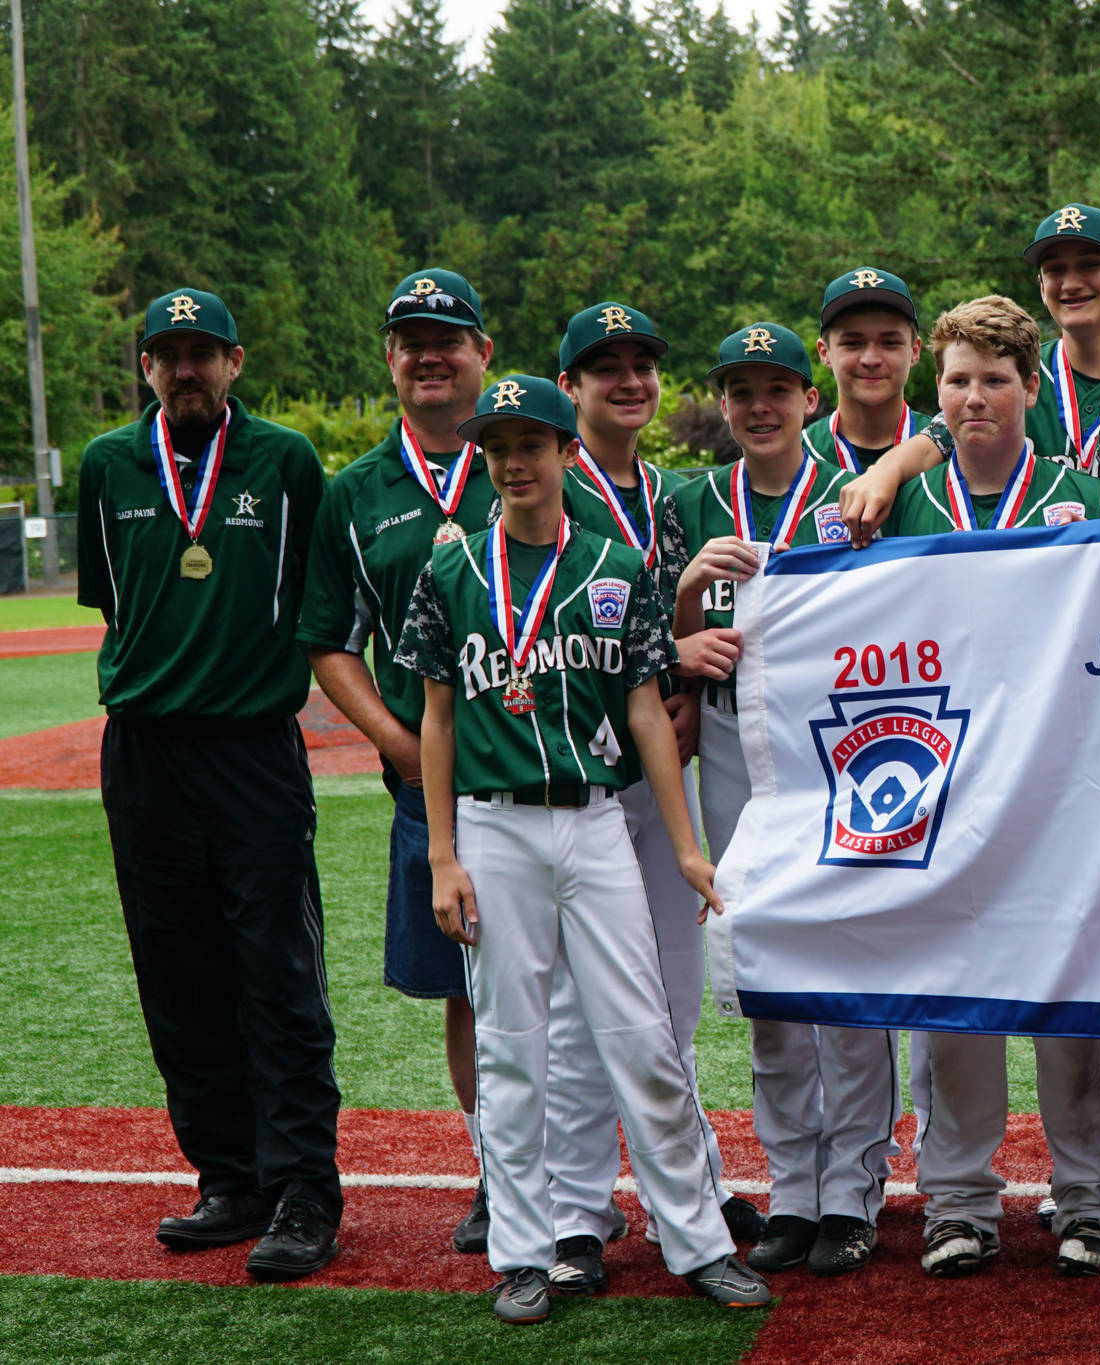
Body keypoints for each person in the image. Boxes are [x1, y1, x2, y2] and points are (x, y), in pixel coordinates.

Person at [393, 375, 767, 1322]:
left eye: (531, 445)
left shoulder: (616, 565)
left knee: (645, 1036)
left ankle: (698, 1242)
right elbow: (438, 720)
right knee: (513, 1047)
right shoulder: (451, 568)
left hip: (596, 819)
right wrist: (442, 855)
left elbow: (645, 713)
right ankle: (525, 1252)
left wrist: (684, 845)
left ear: (567, 452)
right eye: (496, 448)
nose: (512, 463)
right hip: (494, 824)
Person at [77, 286, 341, 1280]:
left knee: (279, 975)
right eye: (168, 354)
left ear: (236, 361)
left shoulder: (286, 460)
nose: (186, 369)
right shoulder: (108, 464)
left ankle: (304, 1190)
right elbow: (114, 599)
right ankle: (230, 1177)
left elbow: (315, 597)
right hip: (145, 756)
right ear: (146, 364)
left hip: (253, 750)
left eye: (204, 352)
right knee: (177, 974)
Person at [872, 294, 1100, 1281]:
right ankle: (957, 1201)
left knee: (1070, 1002)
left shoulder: (1082, 491)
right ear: (933, 392)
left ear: (1031, 385)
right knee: (952, 1004)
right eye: (955, 381)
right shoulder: (900, 498)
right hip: (939, 786)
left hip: (1060, 787)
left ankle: (1092, 1196)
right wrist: (892, 465)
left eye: (993, 379)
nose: (973, 397)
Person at [662, 324, 901, 1278]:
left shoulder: (856, 489)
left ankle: (853, 1189)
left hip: (839, 744)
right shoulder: (691, 500)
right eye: (741, 391)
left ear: (811, 398)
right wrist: (687, 600)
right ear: (722, 402)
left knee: (844, 957)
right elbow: (657, 635)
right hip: (731, 738)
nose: (759, 407)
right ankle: (794, 1186)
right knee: (762, 956)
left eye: (777, 389)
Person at [543, 300, 762, 1293]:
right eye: (606, 368)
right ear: (571, 387)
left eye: (642, 365)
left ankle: (692, 1185)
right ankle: (576, 1213)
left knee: (668, 1002)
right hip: (580, 782)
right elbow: (543, 637)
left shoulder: (673, 495)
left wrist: (688, 683)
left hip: (663, 778)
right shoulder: (548, 488)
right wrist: (667, 652)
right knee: (576, 1009)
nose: (629, 381)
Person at [297, 268, 499, 1253]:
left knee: (581, 986)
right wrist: (398, 743)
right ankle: (500, 1173)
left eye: (447, 338)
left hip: (553, 775)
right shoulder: (355, 492)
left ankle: (587, 1172)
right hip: (435, 794)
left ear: (482, 353)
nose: (430, 355)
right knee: (469, 989)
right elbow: (330, 641)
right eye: (411, 340)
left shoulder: (533, 456)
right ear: (389, 359)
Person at [836, 203, 1100, 538]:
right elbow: (937, 439)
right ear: (1041, 286)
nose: (1071, 283)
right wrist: (883, 472)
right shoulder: (1010, 368)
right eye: (1055, 270)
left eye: (1089, 264)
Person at [801, 267, 931, 474]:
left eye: (889, 342)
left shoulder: (948, 448)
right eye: (853, 343)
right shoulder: (798, 456)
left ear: (914, 351)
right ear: (824, 353)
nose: (871, 360)